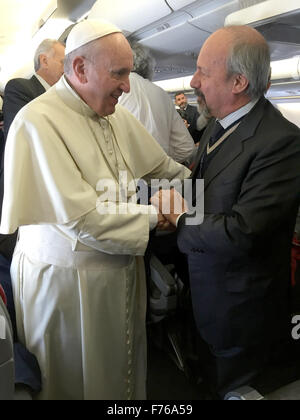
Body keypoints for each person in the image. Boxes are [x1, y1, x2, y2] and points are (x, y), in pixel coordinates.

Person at [0, 19, 190, 400]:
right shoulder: (37, 122)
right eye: (118, 74)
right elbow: (82, 219)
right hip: (67, 287)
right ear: (80, 68)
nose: (127, 86)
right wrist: (160, 214)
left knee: (122, 374)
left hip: (119, 271)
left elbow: (164, 167)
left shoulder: (115, 114)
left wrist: (200, 184)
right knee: (74, 381)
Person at [151, 25, 300, 398]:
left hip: (241, 313)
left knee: (235, 388)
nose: (193, 80)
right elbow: (204, 188)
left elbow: (242, 232)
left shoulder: (281, 143)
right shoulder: (219, 124)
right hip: (205, 296)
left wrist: (181, 217)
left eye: (203, 71)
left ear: (237, 82)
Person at [119, 42, 194, 163]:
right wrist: (162, 163)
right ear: (148, 68)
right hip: (160, 177)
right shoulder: (162, 95)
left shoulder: (114, 90)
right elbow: (186, 148)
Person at [3, 39, 65, 139]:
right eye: (63, 62)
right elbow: (20, 137)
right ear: (44, 61)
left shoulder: (63, 95)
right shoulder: (19, 88)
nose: (67, 69)